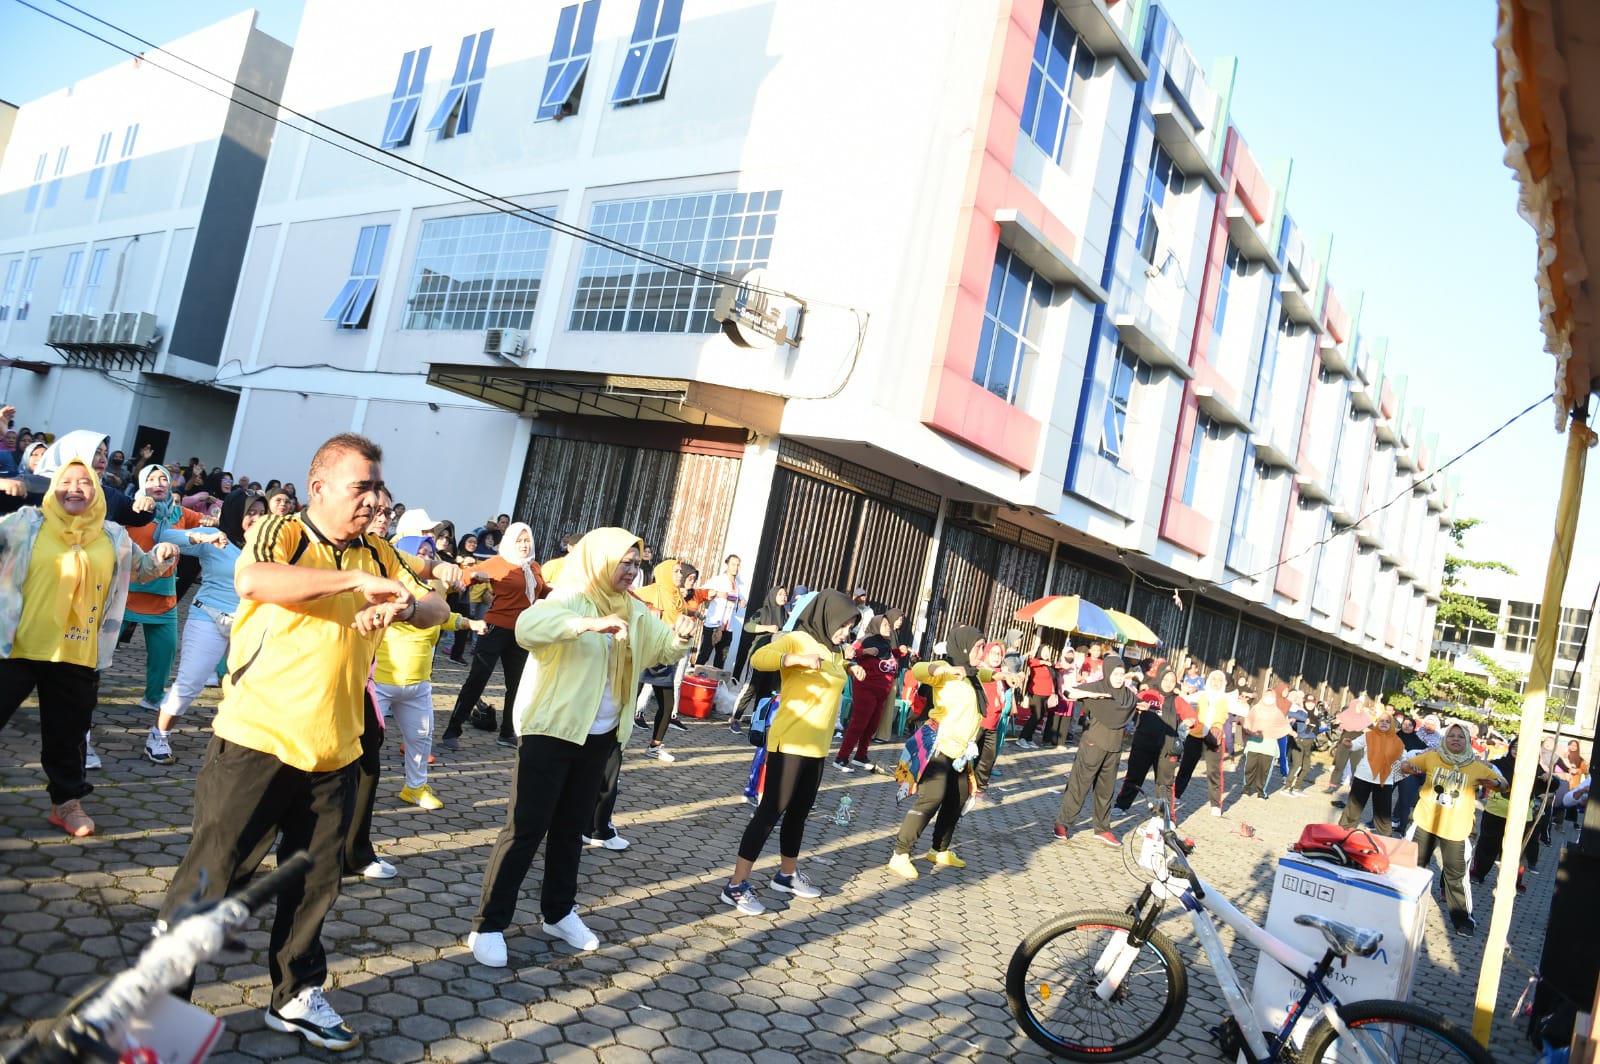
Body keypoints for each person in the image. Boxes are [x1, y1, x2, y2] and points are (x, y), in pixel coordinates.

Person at [157, 434, 445, 1050]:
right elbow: (256, 580)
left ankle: (293, 995)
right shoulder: (285, 531)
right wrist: (353, 587)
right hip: (258, 738)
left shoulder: (380, 551)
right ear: (319, 488)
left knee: (314, 883)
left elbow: (438, 606)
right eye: (360, 487)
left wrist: (401, 607)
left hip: (336, 746)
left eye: (377, 488)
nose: (374, 500)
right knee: (213, 880)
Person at [468, 528, 695, 966]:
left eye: (636, 563)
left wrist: (681, 636)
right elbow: (528, 628)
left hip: (600, 739)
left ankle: (558, 912)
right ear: (599, 560)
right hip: (551, 733)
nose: (631, 570)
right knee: (525, 828)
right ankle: (488, 925)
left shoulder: (634, 610)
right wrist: (587, 625)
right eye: (623, 562)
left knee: (571, 830)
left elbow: (658, 650)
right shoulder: (571, 597)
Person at [0, 457, 178, 835]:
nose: (76, 488)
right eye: (67, 481)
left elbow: (141, 569)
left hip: (78, 653)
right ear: (52, 487)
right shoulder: (26, 523)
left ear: (97, 492)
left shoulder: (113, 535)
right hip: (15, 647)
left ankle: (66, 804)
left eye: (85, 483)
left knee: (68, 735)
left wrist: (162, 557)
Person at [719, 590, 856, 913]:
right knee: (770, 812)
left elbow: (828, 678)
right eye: (843, 624)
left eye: (850, 627)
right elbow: (759, 659)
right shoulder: (797, 639)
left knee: (799, 812)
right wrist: (794, 659)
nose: (845, 632)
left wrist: (849, 668)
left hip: (817, 746)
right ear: (828, 616)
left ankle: (786, 874)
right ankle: (736, 885)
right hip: (790, 741)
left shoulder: (833, 650)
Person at [144, 493, 266, 764]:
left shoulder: (268, 546)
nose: (257, 518)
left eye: (261, 512)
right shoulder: (215, 537)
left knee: (251, 685)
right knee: (191, 681)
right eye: (251, 512)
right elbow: (163, 535)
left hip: (248, 623)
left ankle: (243, 745)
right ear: (236, 513)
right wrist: (203, 536)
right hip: (209, 616)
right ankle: (158, 735)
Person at [373, 532, 486, 810]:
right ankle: (353, 789)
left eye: (428, 551)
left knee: (421, 740)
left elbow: (441, 617)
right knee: (365, 742)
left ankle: (415, 787)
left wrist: (468, 624)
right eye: (419, 552)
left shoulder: (432, 588)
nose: (424, 557)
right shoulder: (390, 586)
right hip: (380, 682)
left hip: (418, 684)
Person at [888, 626, 990, 878]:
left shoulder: (971, 674)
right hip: (939, 745)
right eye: (978, 647)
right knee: (932, 798)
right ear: (964, 647)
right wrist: (941, 669)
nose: (982, 652)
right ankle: (900, 854)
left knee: (958, 797)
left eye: (983, 647)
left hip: (961, 751)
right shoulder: (945, 670)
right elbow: (918, 669)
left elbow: (986, 673)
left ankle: (939, 849)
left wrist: (1002, 677)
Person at [439, 522, 548, 750]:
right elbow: (467, 577)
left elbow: (545, 591)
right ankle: (452, 731)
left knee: (517, 684)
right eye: (519, 541)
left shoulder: (533, 566)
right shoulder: (499, 563)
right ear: (509, 542)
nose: (524, 545)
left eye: (527, 540)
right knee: (478, 679)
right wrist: (470, 577)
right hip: (494, 629)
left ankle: (508, 731)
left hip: (523, 633)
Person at [1401, 721, 1507, 936]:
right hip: (1425, 823)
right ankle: (1404, 909)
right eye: (1451, 736)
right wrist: (1407, 768)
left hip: (1456, 830)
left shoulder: (1476, 764)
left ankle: (1463, 920)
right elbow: (1403, 765)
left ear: (1467, 741)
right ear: (1445, 738)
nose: (1456, 739)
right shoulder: (1432, 757)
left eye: (1460, 737)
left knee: (1456, 877)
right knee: (1410, 869)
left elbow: (1504, 783)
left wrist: (1495, 785)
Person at [121, 465, 205, 714]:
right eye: (151, 479)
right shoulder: (131, 508)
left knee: (165, 650)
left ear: (170, 484)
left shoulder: (180, 513)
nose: (158, 483)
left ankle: (153, 696)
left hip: (163, 594)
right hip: (126, 592)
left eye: (163, 479)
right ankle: (83, 689)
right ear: (142, 483)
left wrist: (213, 515)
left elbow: (207, 520)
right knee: (101, 651)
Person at [1052, 654, 1140, 844]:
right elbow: (1068, 692)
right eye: (1115, 673)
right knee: (1079, 785)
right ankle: (1063, 823)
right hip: (1092, 745)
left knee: (1106, 790)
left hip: (1114, 749)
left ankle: (1102, 828)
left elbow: (1137, 704)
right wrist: (1092, 695)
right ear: (1107, 672)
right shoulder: (1097, 687)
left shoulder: (1127, 695)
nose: (1118, 677)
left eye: (1121, 674)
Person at [833, 609, 902, 772]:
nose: (888, 627)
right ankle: (841, 758)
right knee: (859, 724)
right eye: (884, 624)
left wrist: (901, 652)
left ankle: (860, 756)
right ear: (877, 625)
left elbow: (887, 656)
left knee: (872, 726)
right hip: (866, 690)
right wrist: (865, 651)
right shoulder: (867, 640)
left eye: (888, 625)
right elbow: (849, 653)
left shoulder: (885, 642)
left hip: (881, 693)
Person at [1471, 736, 1543, 893]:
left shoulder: (1533, 767)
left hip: (1521, 815)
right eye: (1515, 746)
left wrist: (1547, 778)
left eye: (1521, 747)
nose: (1517, 750)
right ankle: (1478, 874)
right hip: (1497, 811)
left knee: (1515, 852)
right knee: (1487, 845)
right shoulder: (1501, 764)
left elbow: (1550, 784)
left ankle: (1513, 883)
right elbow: (1487, 770)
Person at [1115, 659, 1184, 812]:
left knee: (1164, 783)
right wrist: (1138, 706)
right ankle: (1121, 806)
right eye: (1166, 679)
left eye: (1172, 681)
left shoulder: (1178, 700)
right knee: (1134, 776)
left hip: (1166, 749)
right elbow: (1131, 704)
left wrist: (1190, 721)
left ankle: (1166, 815)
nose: (1168, 683)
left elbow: (1192, 717)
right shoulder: (1148, 694)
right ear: (1159, 678)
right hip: (1143, 744)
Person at [728, 585, 786, 734]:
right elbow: (748, 626)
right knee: (750, 687)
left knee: (766, 691)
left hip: (774, 658)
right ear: (773, 595)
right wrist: (767, 628)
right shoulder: (763, 611)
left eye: (785, 595)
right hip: (759, 654)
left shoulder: (786, 615)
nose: (783, 597)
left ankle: (757, 721)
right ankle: (735, 719)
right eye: (780, 594)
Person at [1174, 670, 1232, 816]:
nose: (1216, 682)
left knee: (1214, 771)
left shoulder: (1226, 698)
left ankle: (1215, 804)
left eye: (1220, 680)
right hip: (1196, 735)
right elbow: (1183, 701)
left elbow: (1244, 709)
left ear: (1224, 683)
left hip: (1215, 737)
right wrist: (1180, 691)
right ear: (1209, 681)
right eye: (1214, 679)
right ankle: (1175, 795)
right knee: (1186, 767)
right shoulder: (1201, 695)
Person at [1336, 712, 1405, 835]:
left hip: (1385, 780)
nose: (1384, 723)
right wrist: (1348, 744)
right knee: (1353, 807)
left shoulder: (1398, 742)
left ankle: (1385, 837)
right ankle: (1342, 832)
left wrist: (1409, 766)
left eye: (1387, 722)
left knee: (1383, 812)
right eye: (1382, 721)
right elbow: (1355, 745)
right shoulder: (1368, 735)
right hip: (1363, 776)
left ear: (1393, 725)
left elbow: (1403, 759)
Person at [1242, 686, 1293, 799]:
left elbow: (1283, 725)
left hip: (1269, 744)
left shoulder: (1277, 712)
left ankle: (1261, 792)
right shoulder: (1256, 708)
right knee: (1250, 767)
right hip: (1254, 742)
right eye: (1267, 696)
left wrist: (1292, 732)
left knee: (1264, 770)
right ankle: (1246, 789)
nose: (1268, 698)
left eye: (1271, 696)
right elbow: (1248, 722)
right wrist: (1247, 731)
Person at [697, 554, 745, 670]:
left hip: (728, 628)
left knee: (721, 658)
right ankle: (693, 680)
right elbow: (701, 591)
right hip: (714, 625)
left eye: (738, 565)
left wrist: (740, 601)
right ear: (727, 565)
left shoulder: (737, 584)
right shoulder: (718, 580)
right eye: (733, 564)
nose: (736, 567)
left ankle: (715, 685)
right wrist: (717, 593)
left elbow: (733, 598)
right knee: (704, 655)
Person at [1016, 637, 1060, 749]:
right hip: (1036, 693)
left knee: (1040, 717)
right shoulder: (1036, 662)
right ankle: (1022, 738)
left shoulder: (1049, 666)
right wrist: (1043, 661)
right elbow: (1031, 662)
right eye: (1045, 651)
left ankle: (1029, 738)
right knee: (1036, 715)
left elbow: (1053, 678)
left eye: (1048, 651)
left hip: (1046, 695)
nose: (1047, 653)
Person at [1329, 695, 1373, 791]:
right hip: (1345, 740)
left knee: (1356, 767)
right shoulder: (1345, 714)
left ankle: (1355, 789)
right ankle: (1332, 786)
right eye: (1358, 705)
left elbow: (1372, 729)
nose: (1359, 707)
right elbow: (1333, 725)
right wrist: (1335, 723)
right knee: (1339, 765)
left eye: (1361, 706)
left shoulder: (1365, 716)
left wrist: (1367, 730)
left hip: (1358, 743)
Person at [1283, 690, 1317, 795]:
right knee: (1297, 764)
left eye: (1312, 702)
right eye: (1308, 702)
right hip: (1299, 740)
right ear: (1304, 702)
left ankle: (1297, 786)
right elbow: (1289, 713)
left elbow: (1317, 727)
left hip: (1309, 741)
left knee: (1306, 767)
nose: (1310, 704)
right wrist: (1305, 719)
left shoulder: (1315, 714)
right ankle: (1287, 787)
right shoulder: (1301, 711)